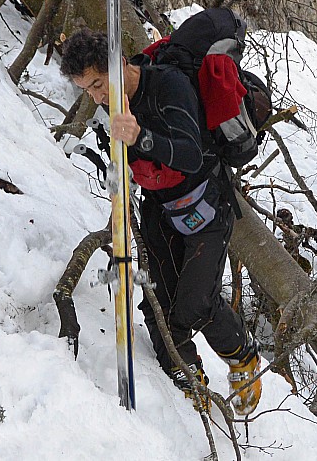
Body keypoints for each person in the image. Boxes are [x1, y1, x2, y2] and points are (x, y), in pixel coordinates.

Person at [59, 28, 262, 415]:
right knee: (157, 309)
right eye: (88, 91)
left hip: (207, 203)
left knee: (195, 306)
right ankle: (187, 378)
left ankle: (242, 354)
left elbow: (189, 154)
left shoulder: (168, 86)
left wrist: (141, 138)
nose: (97, 97)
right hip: (161, 208)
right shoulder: (112, 101)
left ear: (118, 65)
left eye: (99, 84)